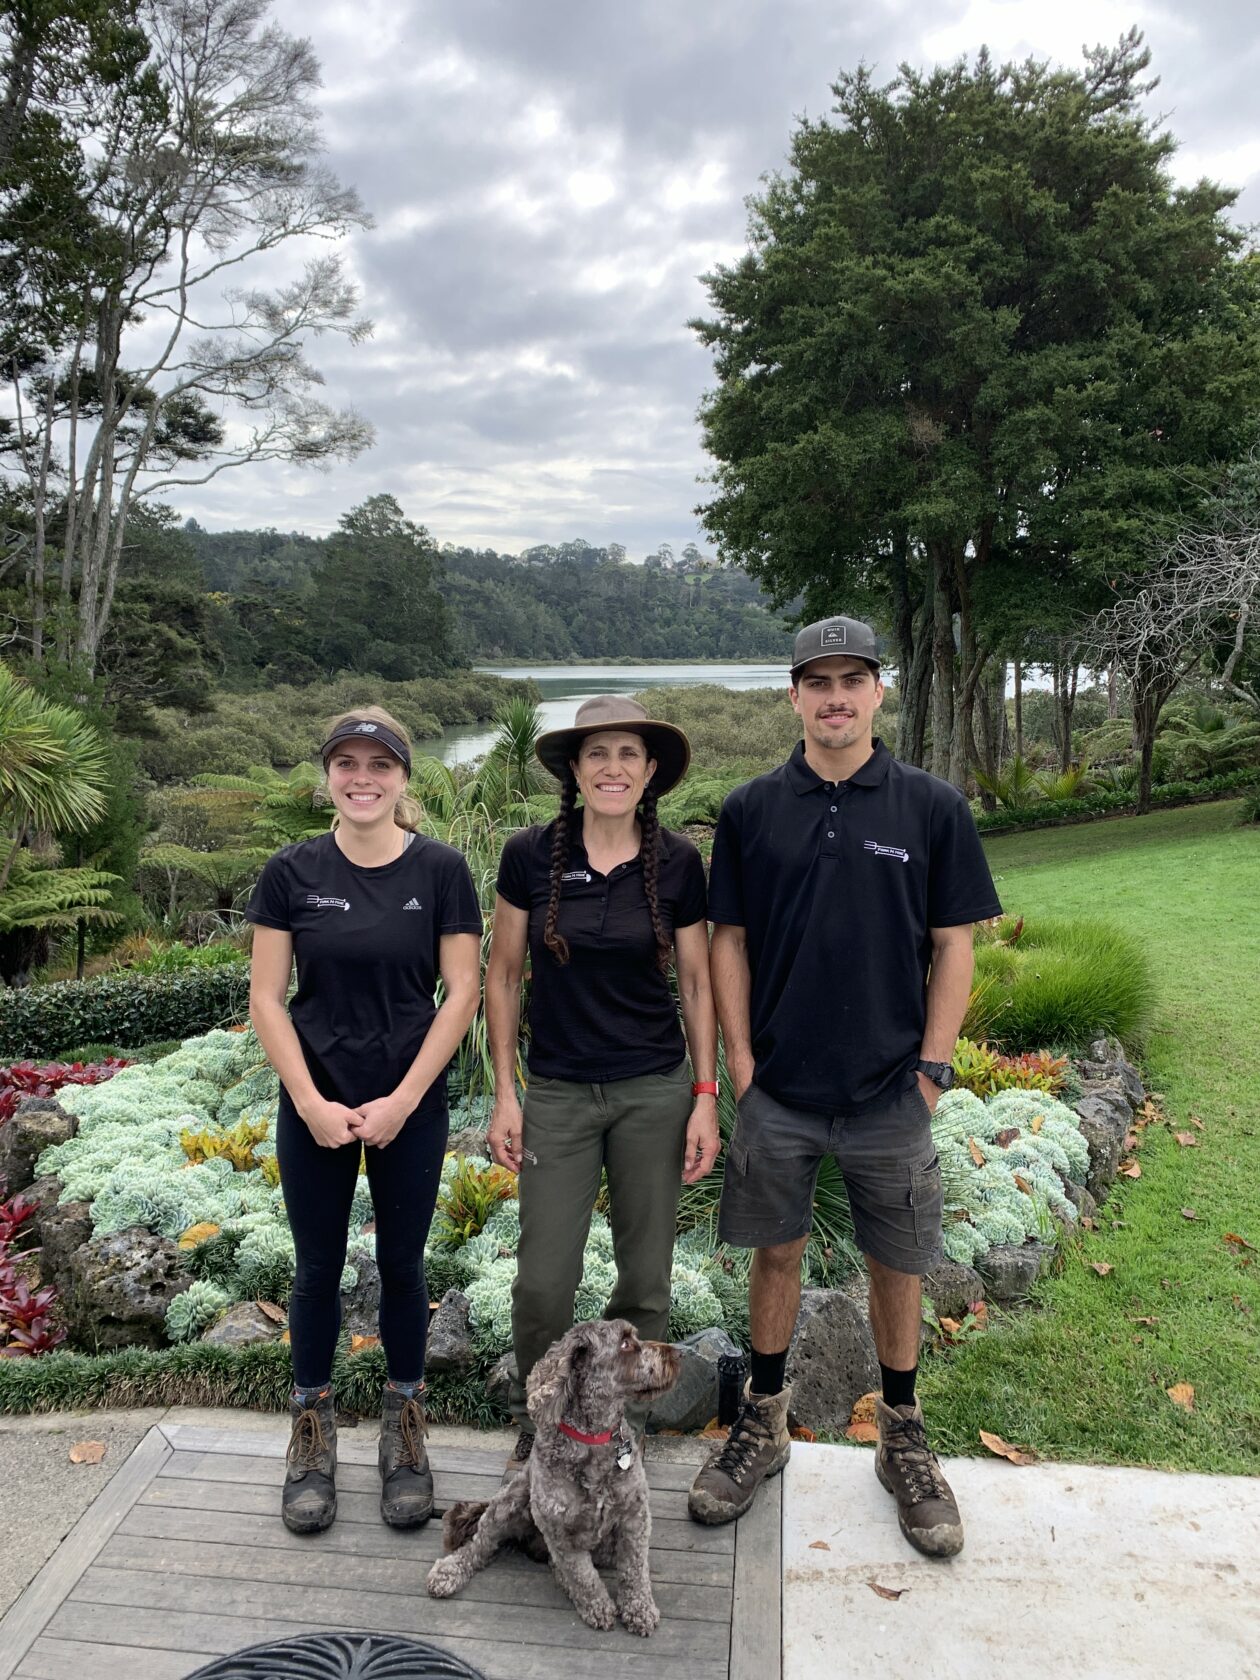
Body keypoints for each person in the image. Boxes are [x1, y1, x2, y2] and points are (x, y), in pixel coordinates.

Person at [687, 617, 1002, 1558]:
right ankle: (764, 1421)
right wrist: (742, 1063)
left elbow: (955, 945)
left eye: (851, 679)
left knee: (895, 1265)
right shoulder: (750, 810)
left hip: (889, 1096)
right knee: (774, 1255)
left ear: (877, 691)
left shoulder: (930, 807)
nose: (834, 696)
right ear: (793, 696)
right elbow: (726, 942)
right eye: (816, 681)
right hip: (780, 1090)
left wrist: (933, 1071)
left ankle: (901, 1433)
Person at [247, 707, 482, 1535]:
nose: (362, 779)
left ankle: (404, 1429)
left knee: (403, 1266)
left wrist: (407, 1099)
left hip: (406, 1099)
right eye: (345, 764)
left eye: (378, 765)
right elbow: (267, 997)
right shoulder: (290, 872)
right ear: (328, 777)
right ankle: (312, 1434)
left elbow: (463, 993)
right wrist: (309, 1102)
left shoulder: (442, 870)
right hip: (316, 1099)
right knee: (315, 1269)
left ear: (403, 779)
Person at [485, 695, 720, 1470]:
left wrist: (705, 1097)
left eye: (628, 755)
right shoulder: (530, 856)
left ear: (651, 771)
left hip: (654, 1089)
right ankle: (546, 1415)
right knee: (543, 1283)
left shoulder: (679, 863)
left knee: (646, 1276)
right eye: (597, 755)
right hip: (557, 1093)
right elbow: (505, 975)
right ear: (575, 771)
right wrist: (507, 1093)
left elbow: (696, 978)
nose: (612, 768)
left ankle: (615, 1423)